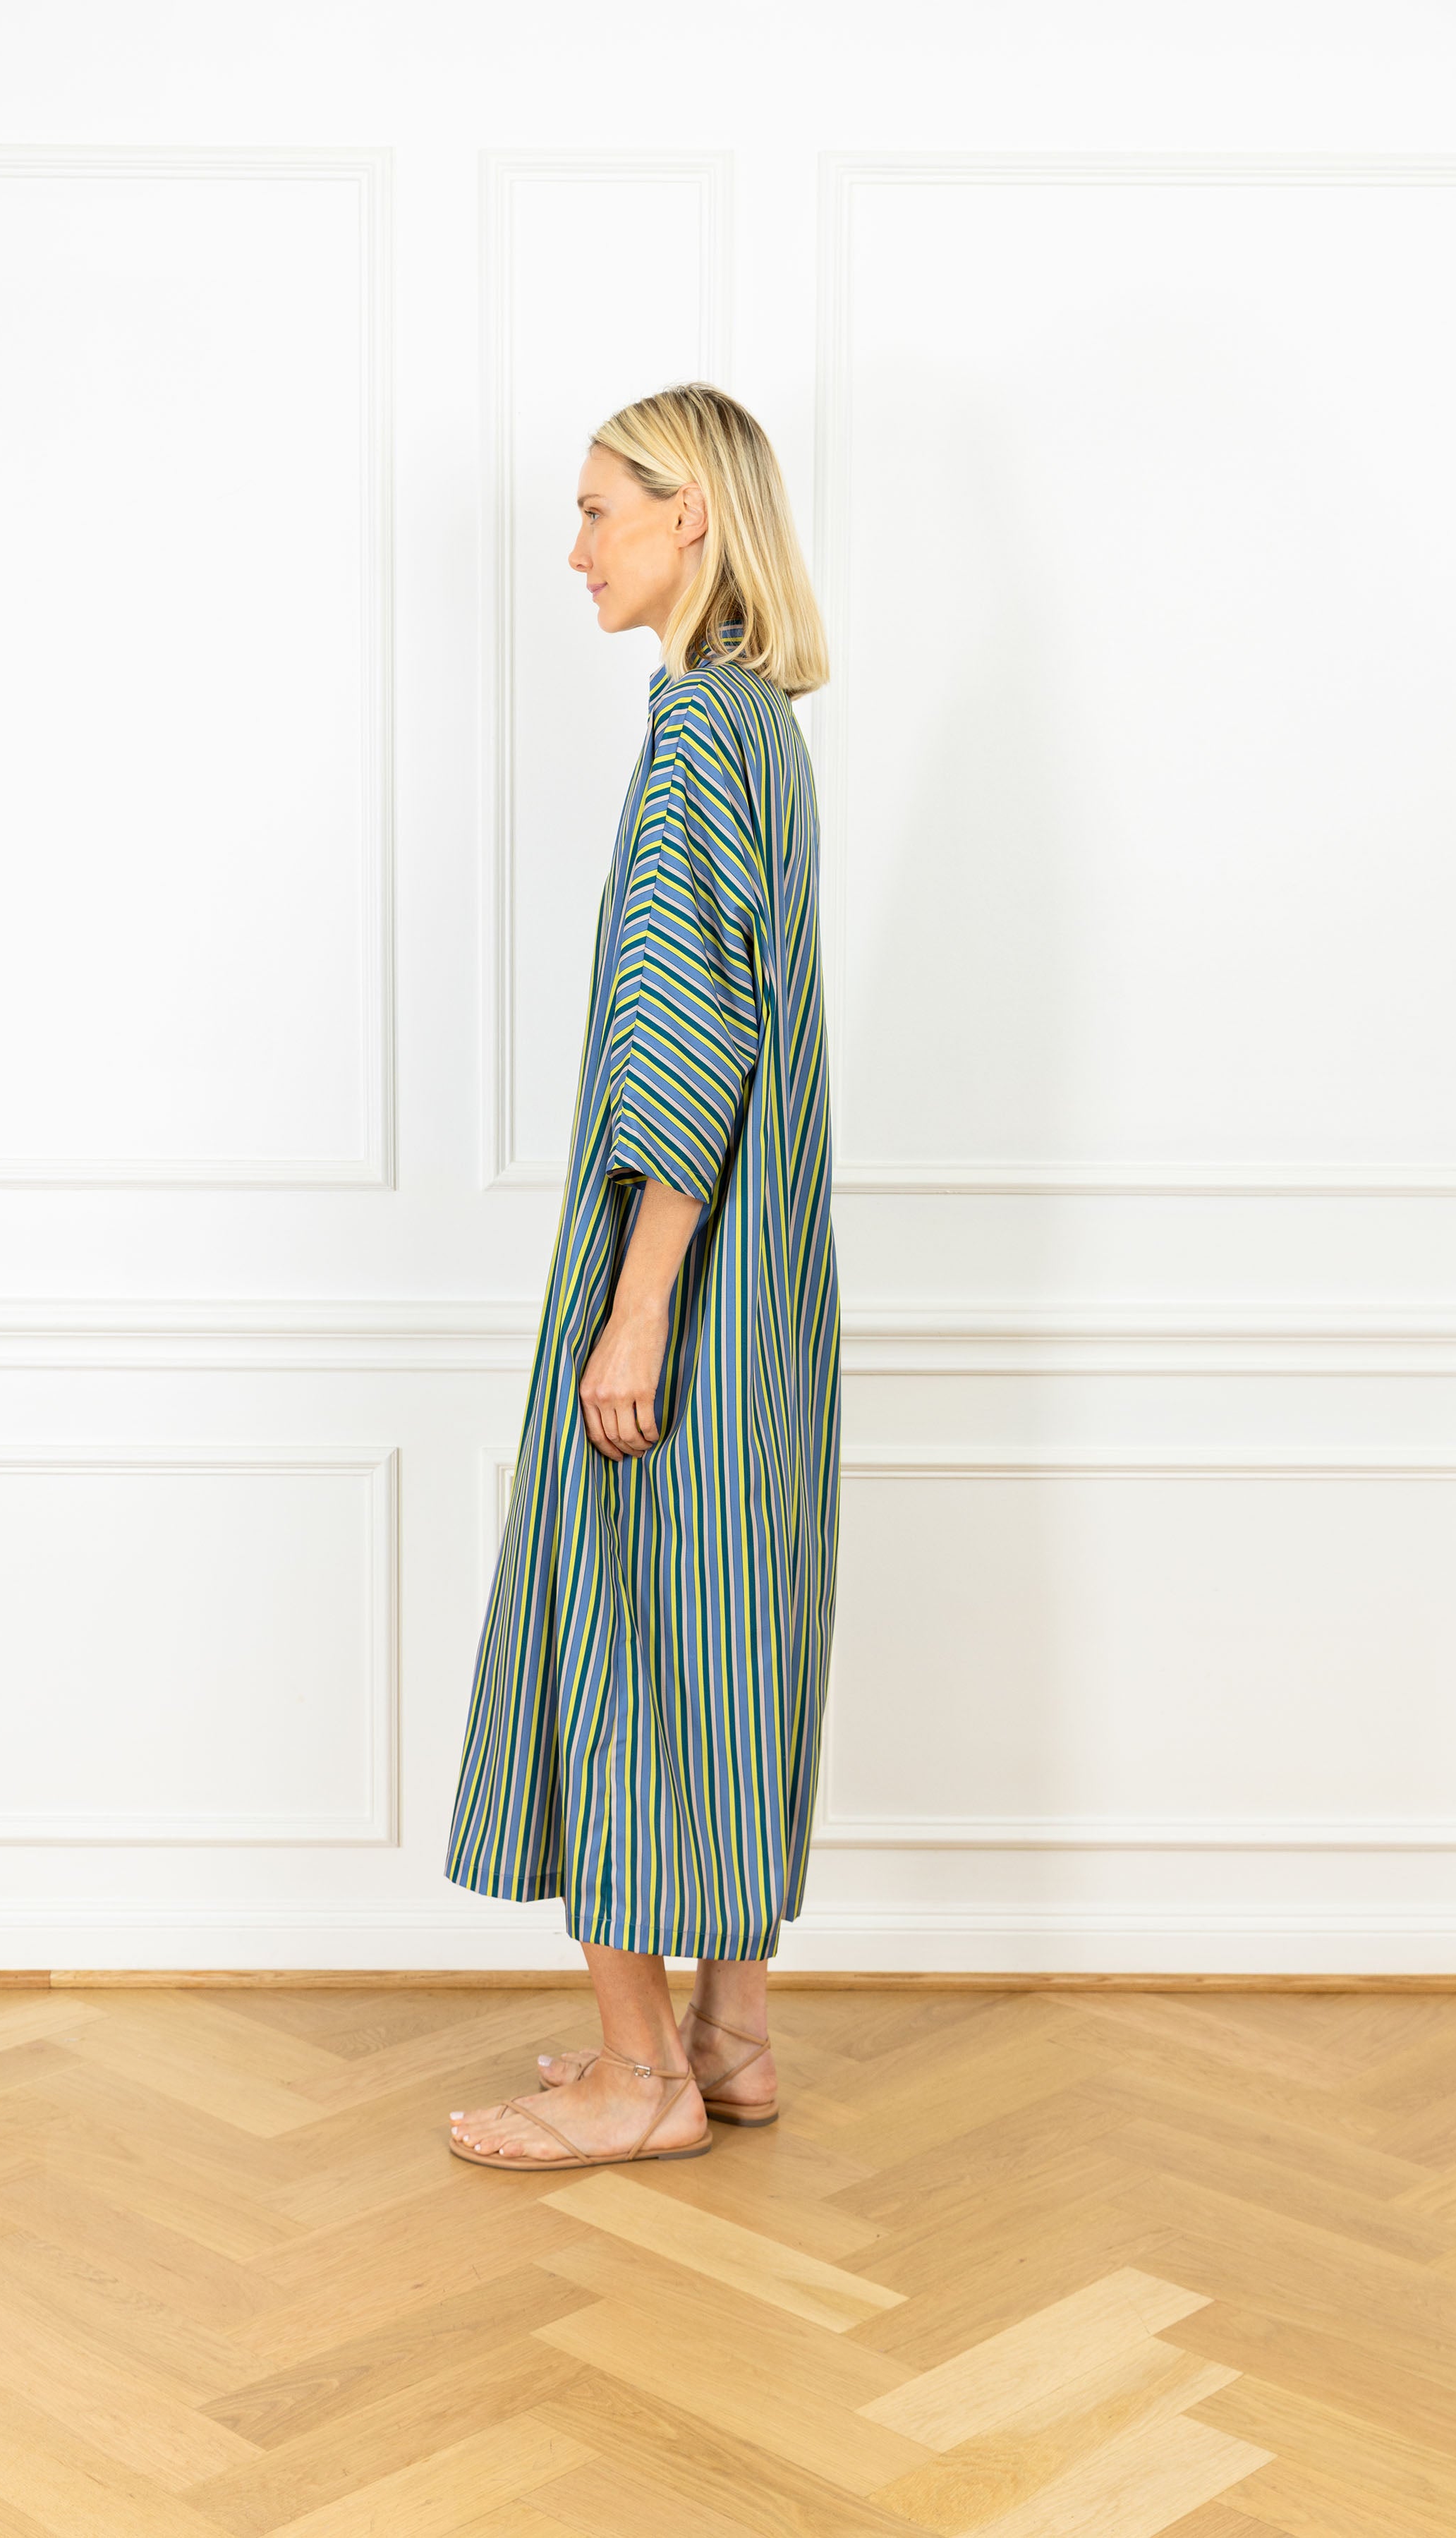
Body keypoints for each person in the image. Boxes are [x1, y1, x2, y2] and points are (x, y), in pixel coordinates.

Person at [444, 382, 840, 2170]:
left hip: (685, 1267)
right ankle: (729, 2035)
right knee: (729, 1632)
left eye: (601, 508)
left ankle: (635, 2074)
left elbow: (686, 1037)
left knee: (615, 1625)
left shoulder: (694, 735)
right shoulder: (764, 727)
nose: (578, 547)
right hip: (776, 1290)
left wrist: (637, 1298)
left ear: (690, 517)